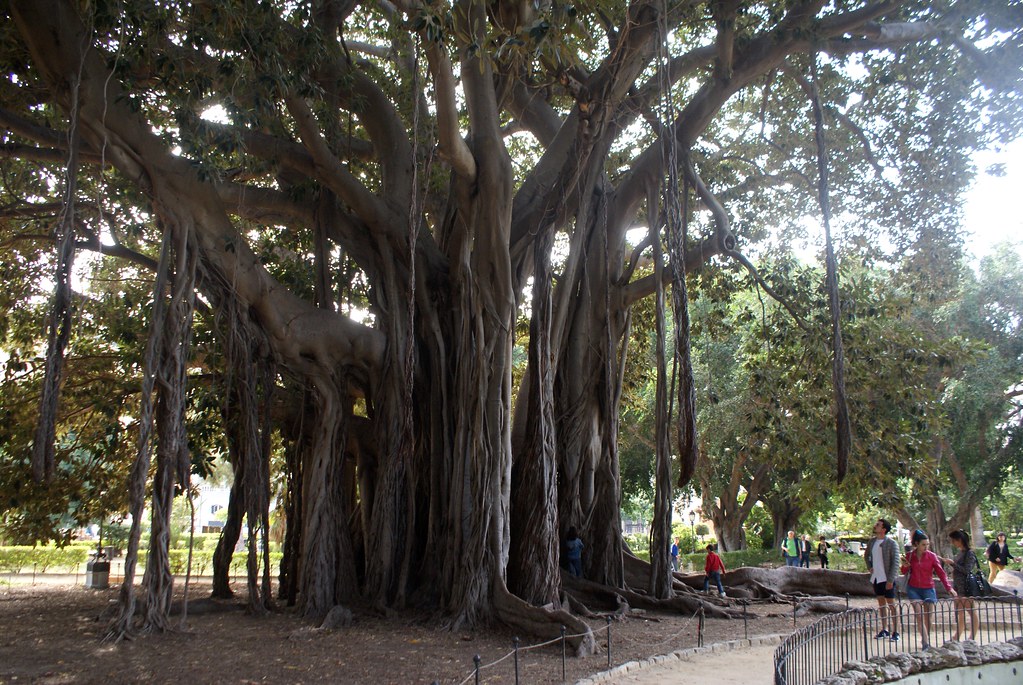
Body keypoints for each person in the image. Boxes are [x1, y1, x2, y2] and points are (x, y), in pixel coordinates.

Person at [901, 529, 955, 650]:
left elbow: (941, 573)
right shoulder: (910, 556)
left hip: (928, 588)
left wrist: (948, 587)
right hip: (913, 588)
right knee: (919, 615)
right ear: (916, 544)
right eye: (923, 545)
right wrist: (904, 566)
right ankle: (925, 642)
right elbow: (904, 571)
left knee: (928, 616)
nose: (926, 547)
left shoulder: (932, 556)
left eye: (927, 545)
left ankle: (926, 637)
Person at [864, 518, 901, 642]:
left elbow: (896, 562)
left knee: (892, 604)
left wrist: (890, 580)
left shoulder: (891, 543)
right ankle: (884, 629)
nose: (876, 526)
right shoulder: (872, 542)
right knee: (881, 604)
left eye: (878, 525)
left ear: (884, 529)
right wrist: (870, 567)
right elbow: (866, 555)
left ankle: (896, 630)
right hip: (876, 577)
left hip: (887, 578)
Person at [944, 529, 979, 640]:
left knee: (970, 611)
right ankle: (957, 635)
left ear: (959, 540)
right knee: (960, 612)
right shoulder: (961, 553)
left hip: (966, 586)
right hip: (958, 585)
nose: (953, 543)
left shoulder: (969, 553)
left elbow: (967, 570)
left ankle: (972, 636)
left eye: (954, 541)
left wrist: (953, 564)